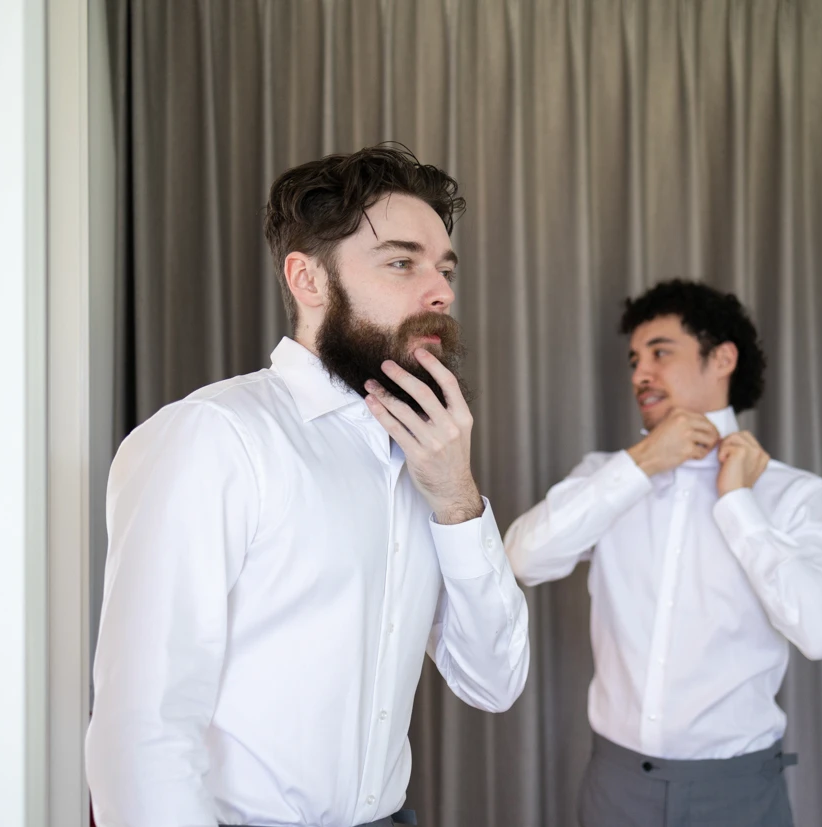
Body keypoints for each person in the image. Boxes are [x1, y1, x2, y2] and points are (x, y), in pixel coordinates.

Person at [86, 145, 530, 827]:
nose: (439, 290)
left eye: (445, 268)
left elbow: (494, 682)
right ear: (308, 279)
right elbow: (143, 726)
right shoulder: (213, 436)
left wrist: (456, 498)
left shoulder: (428, 461)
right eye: (402, 262)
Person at [505, 279, 822, 827]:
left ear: (723, 359)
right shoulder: (605, 478)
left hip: (738, 792)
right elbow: (521, 559)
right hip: (615, 788)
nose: (641, 372)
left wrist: (738, 504)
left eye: (661, 352)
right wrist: (639, 464)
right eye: (635, 359)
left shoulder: (795, 495)